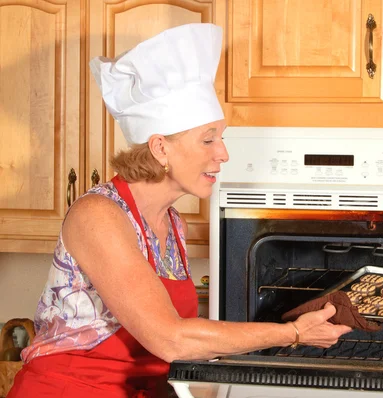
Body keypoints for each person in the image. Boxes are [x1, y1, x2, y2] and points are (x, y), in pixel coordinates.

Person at [8, 23, 352, 398]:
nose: (223, 153)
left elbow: (174, 338)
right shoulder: (98, 215)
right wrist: (295, 333)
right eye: (208, 139)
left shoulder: (173, 224)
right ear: (160, 148)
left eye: (221, 138)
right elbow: (170, 338)